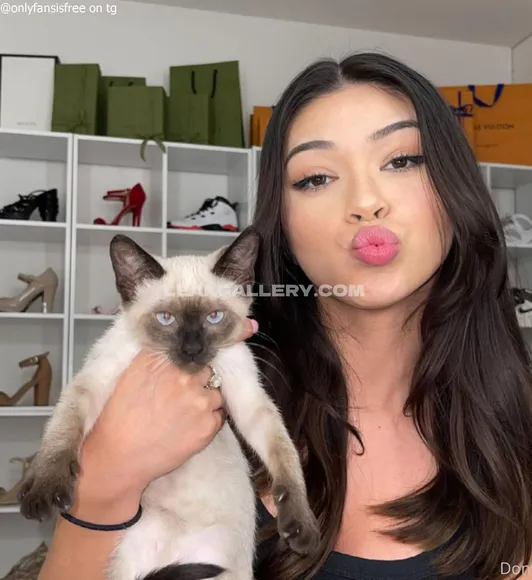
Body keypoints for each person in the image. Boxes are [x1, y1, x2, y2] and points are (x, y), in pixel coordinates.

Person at [37, 52, 532, 580]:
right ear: (282, 220)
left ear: (456, 188)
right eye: (316, 178)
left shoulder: (510, 413)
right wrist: (104, 482)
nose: (366, 201)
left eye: (402, 160)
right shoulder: (191, 393)